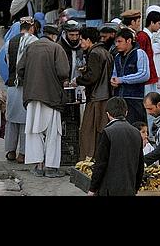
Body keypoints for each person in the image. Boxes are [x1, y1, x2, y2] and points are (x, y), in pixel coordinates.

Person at [17, 24, 70, 177]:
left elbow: (20, 70)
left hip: (32, 96)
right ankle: (51, 167)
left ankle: (38, 166)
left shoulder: (31, 47)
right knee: (53, 133)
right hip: (51, 96)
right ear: (55, 36)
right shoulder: (56, 48)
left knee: (34, 131)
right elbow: (63, 72)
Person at [87, 97, 145, 196]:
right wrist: (135, 188)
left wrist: (92, 189)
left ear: (108, 114)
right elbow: (140, 165)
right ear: (126, 112)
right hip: (129, 189)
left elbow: (101, 164)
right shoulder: (136, 133)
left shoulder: (107, 132)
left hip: (109, 190)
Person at [4, 17, 39, 163]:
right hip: (28, 85)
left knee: (11, 120)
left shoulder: (9, 42)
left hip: (12, 84)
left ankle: (10, 151)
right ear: (32, 28)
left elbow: (7, 61)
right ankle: (23, 154)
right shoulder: (34, 41)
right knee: (26, 120)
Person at [76, 27, 113, 160]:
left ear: (88, 40)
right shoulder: (105, 52)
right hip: (105, 96)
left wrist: (78, 80)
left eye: (82, 40)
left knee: (89, 131)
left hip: (97, 97)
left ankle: (88, 160)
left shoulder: (95, 53)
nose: (80, 43)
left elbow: (92, 76)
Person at [122, 9, 158, 125]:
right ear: (132, 22)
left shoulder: (136, 36)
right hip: (141, 80)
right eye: (137, 21)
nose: (139, 24)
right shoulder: (140, 37)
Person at [111, 28, 150, 126]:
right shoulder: (117, 57)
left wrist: (122, 80)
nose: (117, 45)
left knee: (136, 129)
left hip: (135, 100)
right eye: (116, 42)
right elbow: (115, 73)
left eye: (120, 41)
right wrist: (113, 80)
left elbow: (144, 75)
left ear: (128, 41)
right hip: (119, 101)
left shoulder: (139, 53)